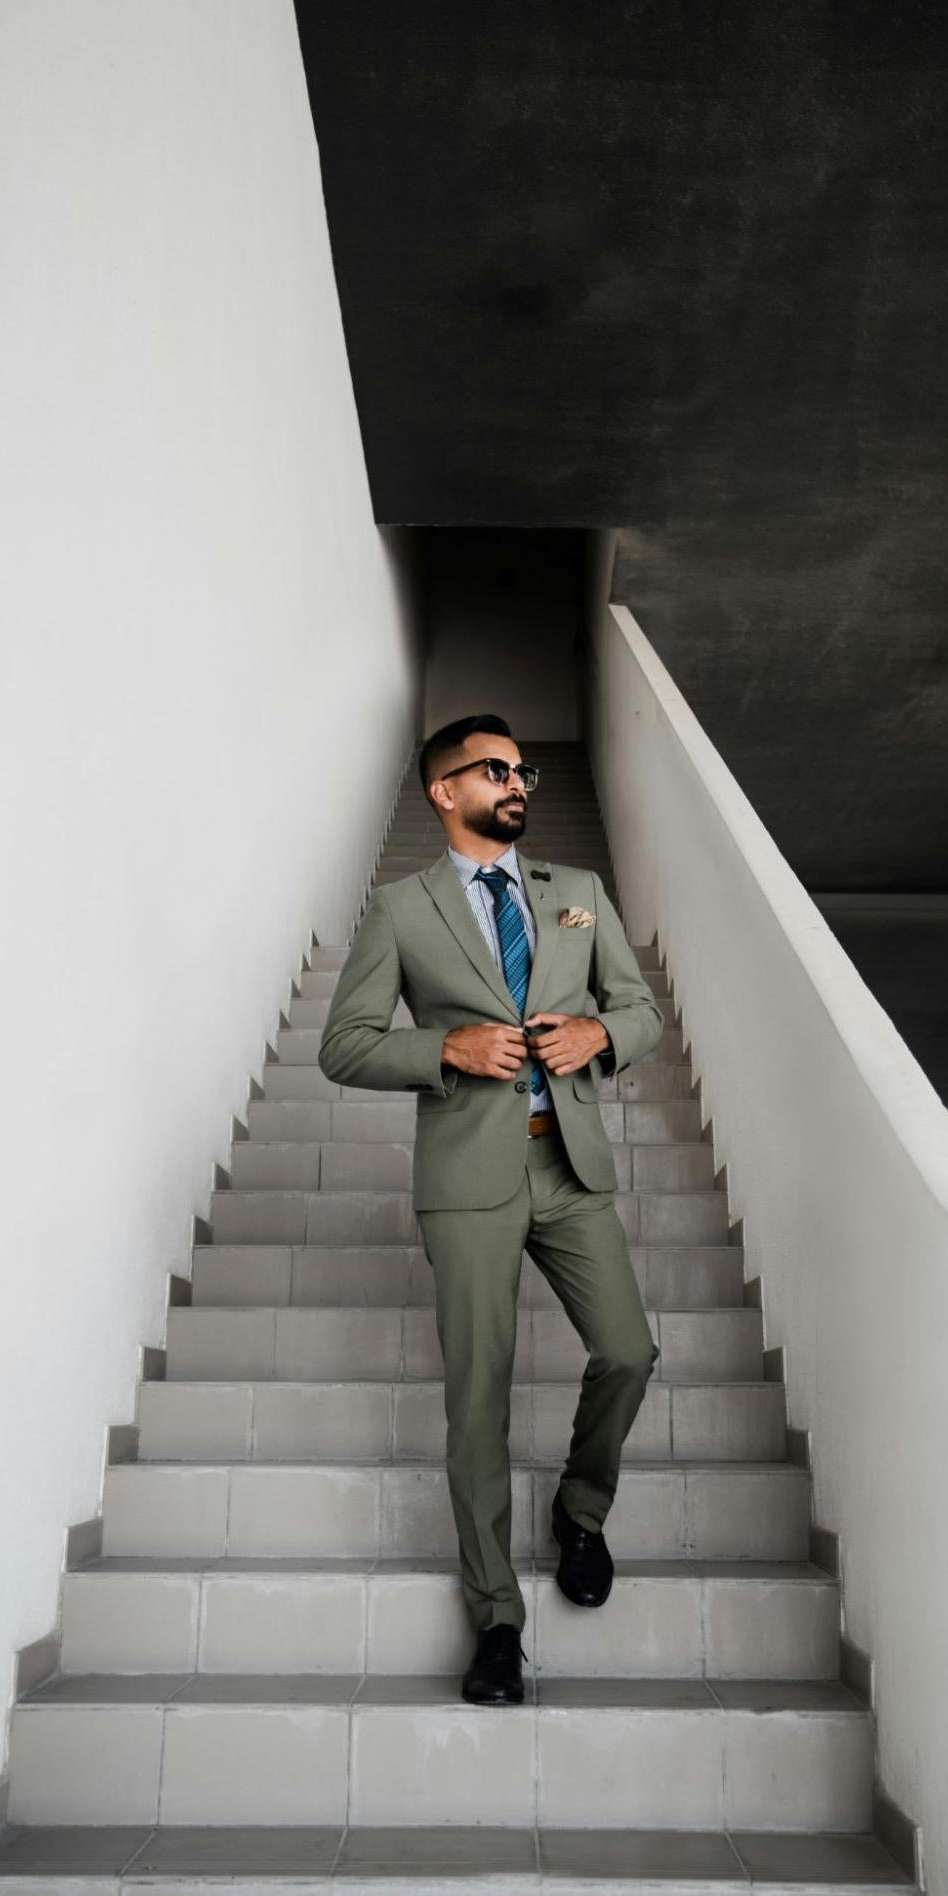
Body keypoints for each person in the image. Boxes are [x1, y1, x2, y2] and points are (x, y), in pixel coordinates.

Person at [318, 714, 665, 1703]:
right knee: (479, 1399)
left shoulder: (578, 895)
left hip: (570, 1168)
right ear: (444, 789)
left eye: (525, 769)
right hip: (470, 1179)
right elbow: (343, 1044)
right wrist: (446, 1052)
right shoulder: (400, 909)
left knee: (630, 1351)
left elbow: (640, 1008)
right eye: (497, 769)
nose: (519, 783)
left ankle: (581, 1509)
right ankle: (497, 1620)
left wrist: (597, 1032)